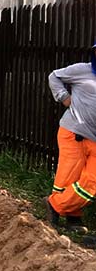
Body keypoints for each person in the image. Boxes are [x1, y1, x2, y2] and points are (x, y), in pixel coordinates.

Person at [45, 42, 96, 232]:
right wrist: (63, 97)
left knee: (91, 182)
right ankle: (73, 218)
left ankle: (54, 206)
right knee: (69, 177)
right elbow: (54, 76)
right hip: (74, 133)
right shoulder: (82, 70)